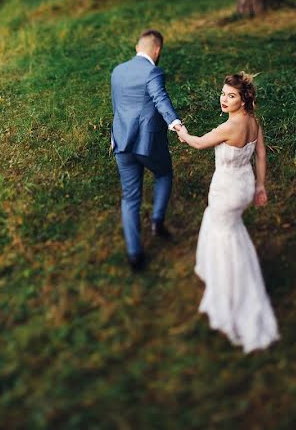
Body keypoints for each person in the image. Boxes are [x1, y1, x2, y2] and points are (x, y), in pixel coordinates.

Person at [174, 72, 279, 352]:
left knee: (223, 235)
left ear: (243, 100)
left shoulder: (229, 127)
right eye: (222, 93)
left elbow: (196, 142)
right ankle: (220, 275)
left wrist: (180, 131)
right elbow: (261, 154)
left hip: (227, 190)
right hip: (244, 185)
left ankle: (230, 293)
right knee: (228, 228)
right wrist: (260, 186)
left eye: (230, 95)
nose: (224, 99)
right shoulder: (253, 122)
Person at [110, 29, 184, 272]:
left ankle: (134, 255)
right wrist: (176, 123)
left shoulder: (118, 71)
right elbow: (160, 98)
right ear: (157, 50)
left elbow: (117, 107)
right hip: (148, 144)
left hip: (121, 142)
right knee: (164, 174)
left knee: (130, 197)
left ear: (136, 48)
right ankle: (157, 222)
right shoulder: (153, 71)